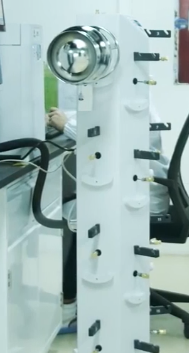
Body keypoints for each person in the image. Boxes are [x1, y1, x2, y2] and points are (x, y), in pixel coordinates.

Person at [47, 102, 171, 334]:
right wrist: (62, 117)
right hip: (138, 191)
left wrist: (66, 126)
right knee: (78, 206)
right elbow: (104, 119)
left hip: (138, 197)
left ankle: (68, 308)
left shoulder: (131, 101)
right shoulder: (132, 95)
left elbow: (108, 143)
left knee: (73, 216)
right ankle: (77, 297)